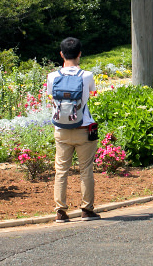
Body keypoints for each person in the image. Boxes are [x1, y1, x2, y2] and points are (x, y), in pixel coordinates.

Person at [47, 37, 99, 224]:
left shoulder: (52, 76)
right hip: (84, 129)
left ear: (61, 54)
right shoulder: (87, 76)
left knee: (61, 171)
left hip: (61, 130)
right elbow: (92, 92)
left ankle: (60, 211)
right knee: (86, 170)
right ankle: (87, 209)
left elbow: (51, 97)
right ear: (79, 54)